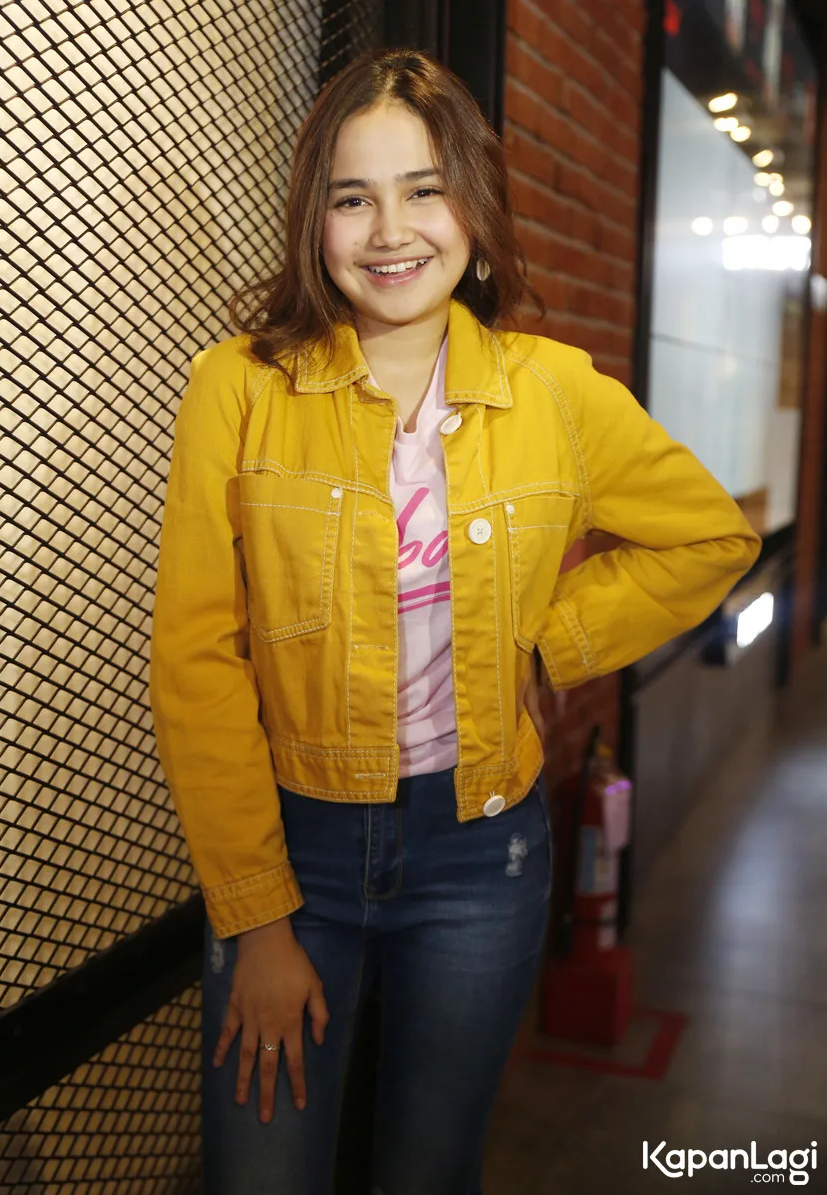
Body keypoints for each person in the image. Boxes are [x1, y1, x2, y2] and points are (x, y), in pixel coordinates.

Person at [149, 46, 760, 1195]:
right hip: (292, 843)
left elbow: (708, 536)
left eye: (423, 189)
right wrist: (259, 923)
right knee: (261, 1173)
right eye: (352, 197)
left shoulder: (554, 391)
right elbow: (196, 658)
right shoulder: (239, 385)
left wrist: (548, 641)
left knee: (430, 1171)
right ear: (315, 221)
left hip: (482, 849)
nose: (390, 230)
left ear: (474, 209)